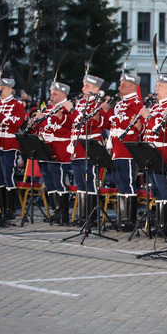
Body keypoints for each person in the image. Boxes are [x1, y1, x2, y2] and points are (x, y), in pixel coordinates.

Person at [139, 73, 167, 236]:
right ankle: (160, 223)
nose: (156, 89)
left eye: (159, 86)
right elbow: (148, 129)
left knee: (164, 189)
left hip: (164, 153)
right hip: (151, 151)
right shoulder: (155, 106)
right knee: (156, 190)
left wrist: (148, 118)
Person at [29, 82, 73, 225]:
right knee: (50, 183)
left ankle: (64, 215)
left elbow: (66, 125)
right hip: (45, 150)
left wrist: (45, 117)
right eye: (51, 93)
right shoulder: (48, 108)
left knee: (59, 182)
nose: (51, 96)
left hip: (59, 151)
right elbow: (43, 128)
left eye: (54, 94)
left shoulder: (66, 109)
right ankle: (56, 212)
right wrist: (34, 124)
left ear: (63, 95)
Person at [68, 74, 109, 226]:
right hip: (78, 147)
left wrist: (71, 110)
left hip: (89, 146)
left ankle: (90, 217)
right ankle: (82, 215)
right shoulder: (82, 103)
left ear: (94, 89)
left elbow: (86, 123)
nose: (82, 88)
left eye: (86, 86)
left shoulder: (96, 103)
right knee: (80, 182)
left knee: (89, 181)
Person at [106, 73, 144, 230]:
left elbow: (130, 122)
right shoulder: (120, 103)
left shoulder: (136, 103)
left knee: (127, 183)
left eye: (123, 85)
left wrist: (114, 118)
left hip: (127, 148)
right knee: (119, 183)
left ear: (132, 87)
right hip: (116, 148)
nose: (119, 88)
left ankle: (129, 220)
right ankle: (122, 218)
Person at [0, 76, 27, 222]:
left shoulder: (17, 104)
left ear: (9, 89)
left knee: (9, 176)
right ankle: (1, 209)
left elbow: (16, 123)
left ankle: (10, 210)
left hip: (9, 145)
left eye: (2, 89)